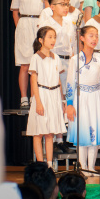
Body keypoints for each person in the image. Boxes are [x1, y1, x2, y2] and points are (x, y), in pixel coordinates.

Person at [65, 26, 100, 173]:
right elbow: (70, 83)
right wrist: (69, 104)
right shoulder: (75, 60)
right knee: (82, 132)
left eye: (96, 36)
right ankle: (82, 167)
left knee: (94, 130)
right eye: (91, 35)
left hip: (96, 97)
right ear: (82, 38)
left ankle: (91, 167)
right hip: (80, 97)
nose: (94, 39)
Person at [27, 27, 66, 165]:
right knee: (38, 132)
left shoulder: (56, 58)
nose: (53, 40)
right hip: (42, 94)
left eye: (54, 37)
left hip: (54, 95)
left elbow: (59, 80)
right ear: (41, 40)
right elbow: (33, 80)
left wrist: (62, 100)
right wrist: (38, 102)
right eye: (50, 37)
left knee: (50, 133)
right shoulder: (36, 57)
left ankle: (49, 164)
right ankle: (40, 165)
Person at [12, 0, 44, 110]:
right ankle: (24, 98)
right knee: (25, 64)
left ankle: (34, 97)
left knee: (36, 65)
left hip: (38, 26)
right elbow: (15, 13)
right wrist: (20, 29)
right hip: (24, 26)